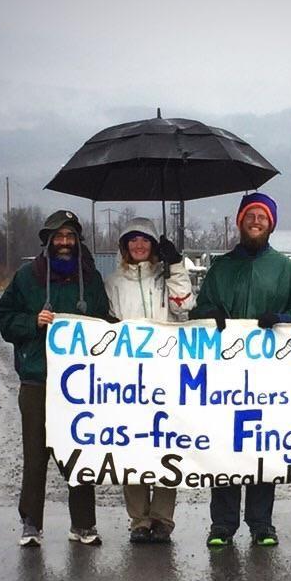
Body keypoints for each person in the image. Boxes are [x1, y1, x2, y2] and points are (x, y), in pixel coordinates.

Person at [192, 192, 291, 548]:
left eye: (261, 217)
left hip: (271, 377)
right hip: (225, 376)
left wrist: (283, 319)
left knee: (263, 447)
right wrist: (209, 316)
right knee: (224, 447)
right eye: (249, 216)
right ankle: (222, 524)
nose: (255, 222)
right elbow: (198, 312)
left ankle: (261, 523)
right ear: (239, 221)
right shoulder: (221, 268)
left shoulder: (286, 270)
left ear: (271, 224)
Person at [0, 210, 112, 548]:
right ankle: (31, 523)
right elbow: (3, 318)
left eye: (70, 236)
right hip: (37, 381)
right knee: (35, 455)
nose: (64, 242)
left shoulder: (89, 278)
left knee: (80, 453)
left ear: (77, 241)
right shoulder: (26, 277)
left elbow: (104, 321)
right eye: (58, 237)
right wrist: (32, 322)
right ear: (47, 240)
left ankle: (84, 524)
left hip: (80, 386)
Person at [104, 216, 195, 544]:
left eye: (145, 240)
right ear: (125, 246)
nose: (139, 245)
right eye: (133, 240)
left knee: (168, 446)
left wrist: (177, 267)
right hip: (129, 379)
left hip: (166, 373)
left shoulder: (166, 275)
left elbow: (184, 309)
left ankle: (162, 518)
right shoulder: (113, 281)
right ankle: (139, 519)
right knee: (134, 446)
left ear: (154, 245)